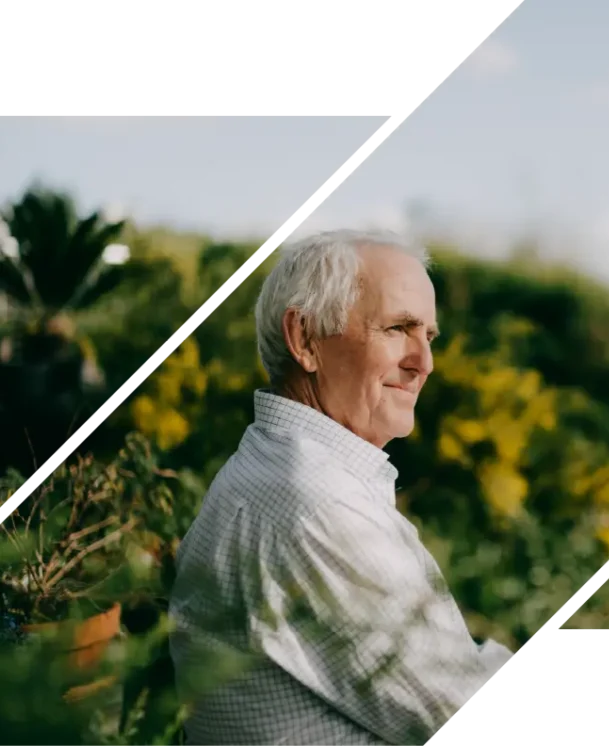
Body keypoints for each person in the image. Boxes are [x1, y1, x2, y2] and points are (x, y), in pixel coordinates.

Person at [168, 230, 518, 746]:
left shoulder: (285, 469)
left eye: (430, 336)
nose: (425, 362)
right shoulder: (316, 503)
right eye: (399, 328)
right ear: (305, 339)